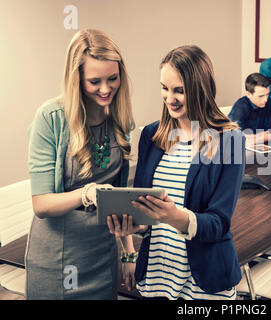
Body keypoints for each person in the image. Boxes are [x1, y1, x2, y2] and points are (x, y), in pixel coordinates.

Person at [107, 45, 245, 300]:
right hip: (158, 274)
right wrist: (133, 225)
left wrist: (175, 216)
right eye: (165, 88)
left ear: (200, 88)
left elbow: (219, 223)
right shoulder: (151, 135)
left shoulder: (230, 141)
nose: (170, 98)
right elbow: (142, 209)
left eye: (179, 90)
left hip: (204, 281)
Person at [26, 29, 135, 299]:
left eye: (113, 78)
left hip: (102, 255)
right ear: (76, 80)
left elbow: (120, 200)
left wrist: (127, 252)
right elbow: (41, 205)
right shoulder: (51, 118)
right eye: (94, 81)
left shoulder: (121, 123)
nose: (106, 89)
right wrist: (87, 193)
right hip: (56, 261)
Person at [228, 72, 271, 145]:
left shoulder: (267, 102)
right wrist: (261, 137)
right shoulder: (240, 106)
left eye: (267, 94)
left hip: (259, 146)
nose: (265, 99)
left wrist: (254, 137)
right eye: (261, 96)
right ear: (248, 94)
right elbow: (234, 137)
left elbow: (270, 131)